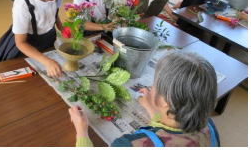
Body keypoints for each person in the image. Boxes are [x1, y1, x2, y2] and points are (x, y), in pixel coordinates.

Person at [69, 51, 220, 147]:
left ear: (164, 102)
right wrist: (153, 109)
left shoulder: (129, 144)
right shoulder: (209, 126)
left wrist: (81, 131)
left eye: (155, 84)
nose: (151, 87)